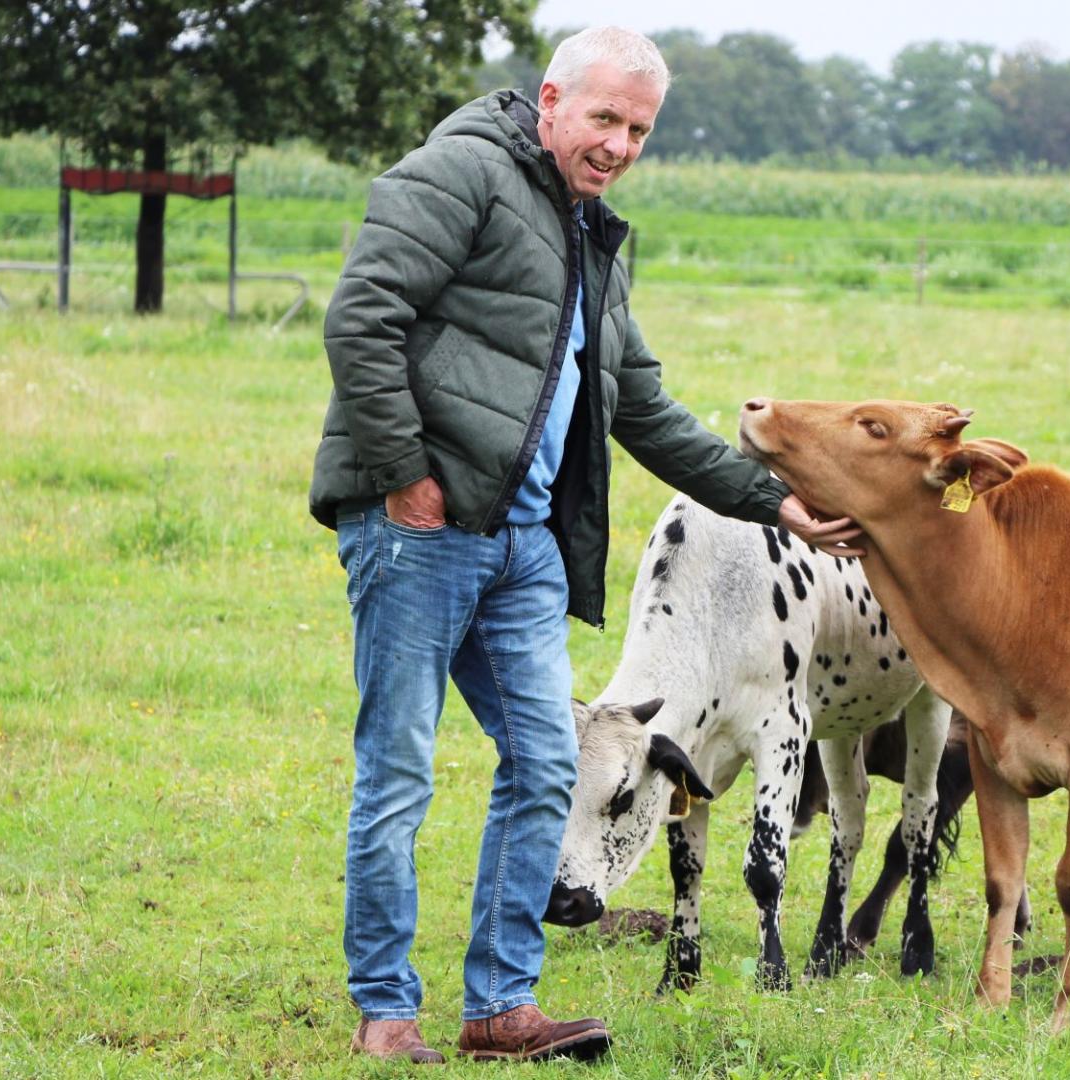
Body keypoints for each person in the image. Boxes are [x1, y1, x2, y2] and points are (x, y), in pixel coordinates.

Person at [308, 26, 860, 1064]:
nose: (618, 144)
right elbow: (362, 316)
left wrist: (774, 503)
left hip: (524, 546)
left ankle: (499, 1005)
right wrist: (403, 475)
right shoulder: (461, 173)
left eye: (639, 129)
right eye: (604, 118)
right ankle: (386, 1013)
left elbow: (642, 407)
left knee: (548, 760)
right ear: (551, 100)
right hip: (418, 531)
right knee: (398, 773)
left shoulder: (590, 232)